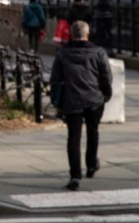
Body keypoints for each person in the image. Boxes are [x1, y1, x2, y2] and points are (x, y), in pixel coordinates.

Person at [50, 21, 112, 191]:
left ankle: (75, 175)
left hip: (72, 99)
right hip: (94, 98)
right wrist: (106, 93)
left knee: (73, 138)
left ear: (71, 34)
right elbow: (106, 75)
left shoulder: (62, 54)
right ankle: (91, 164)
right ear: (87, 34)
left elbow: (55, 79)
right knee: (93, 131)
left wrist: (56, 100)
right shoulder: (98, 52)